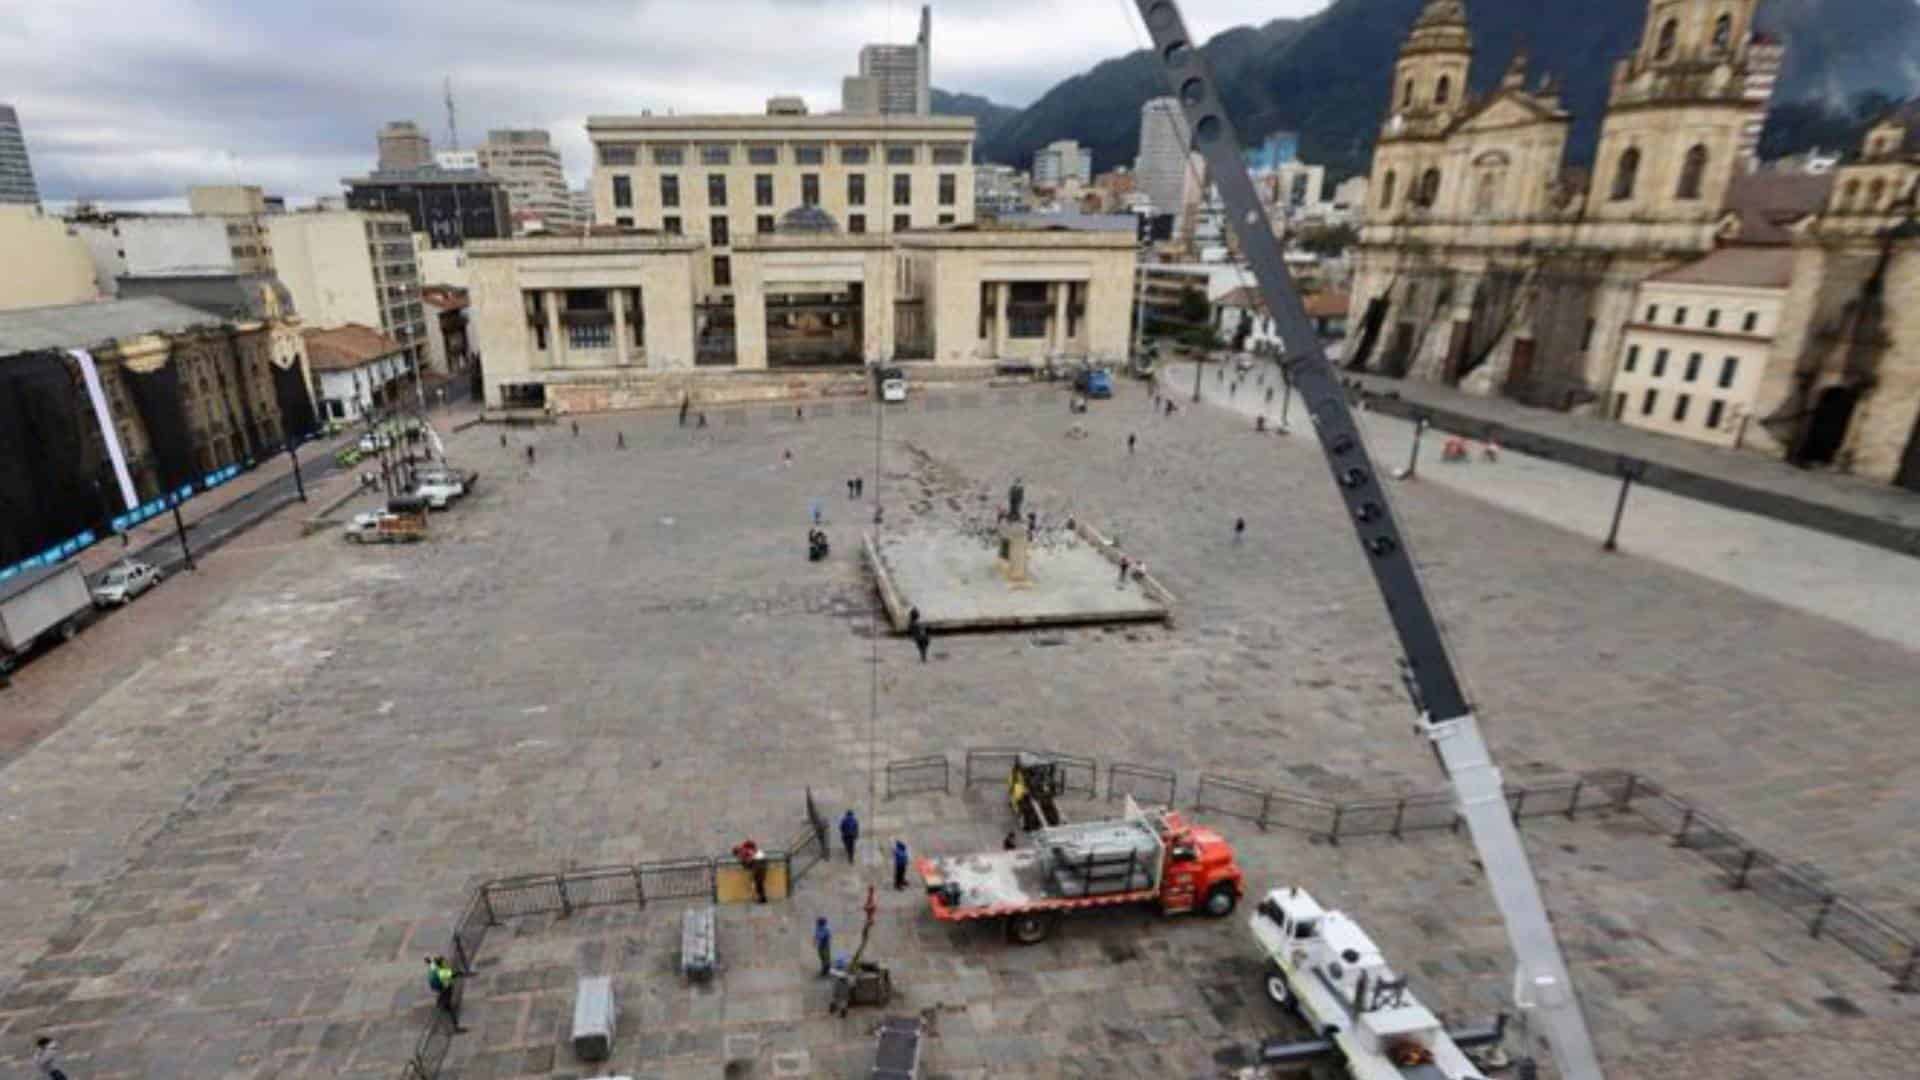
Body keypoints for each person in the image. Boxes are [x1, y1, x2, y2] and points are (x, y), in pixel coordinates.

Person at [427, 955, 468, 1033]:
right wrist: (460, 973)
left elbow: (430, 962)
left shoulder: (434, 967)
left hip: (437, 986)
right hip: (442, 986)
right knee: (447, 996)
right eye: (442, 961)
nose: (444, 962)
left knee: (444, 993)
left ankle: (442, 1003)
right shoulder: (441, 972)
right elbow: (453, 974)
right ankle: (454, 1026)